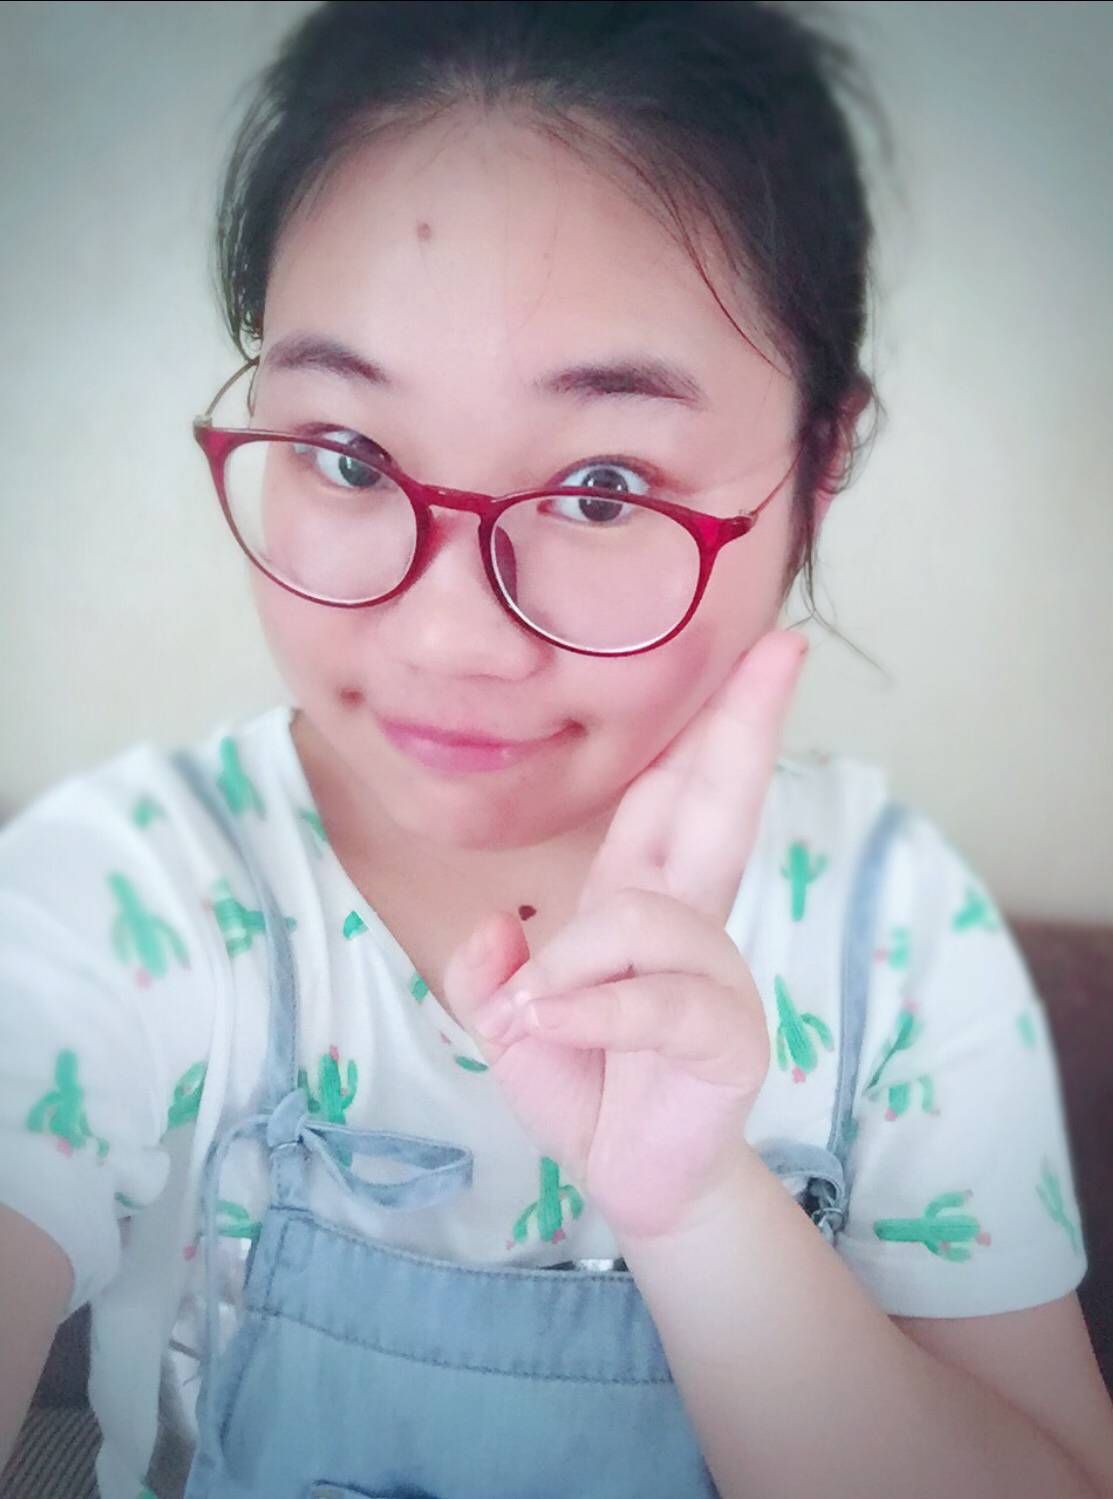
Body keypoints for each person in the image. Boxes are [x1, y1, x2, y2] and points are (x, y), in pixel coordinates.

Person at [2, 3, 1112, 1497]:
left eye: (603, 488)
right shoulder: (124, 896)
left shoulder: (890, 936)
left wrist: (699, 1214)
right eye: (347, 457)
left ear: (819, 459)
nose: (448, 634)